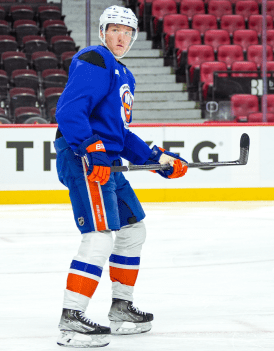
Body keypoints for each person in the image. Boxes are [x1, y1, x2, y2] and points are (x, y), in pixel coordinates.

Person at [53, 5, 188, 348]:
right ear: (102, 32)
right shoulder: (95, 60)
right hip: (85, 158)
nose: (121, 37)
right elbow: (69, 111)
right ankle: (72, 319)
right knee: (99, 236)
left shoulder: (125, 75)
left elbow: (121, 134)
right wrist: (90, 149)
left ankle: (121, 308)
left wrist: (158, 158)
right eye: (115, 30)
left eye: (128, 32)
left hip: (106, 159)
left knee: (132, 229)